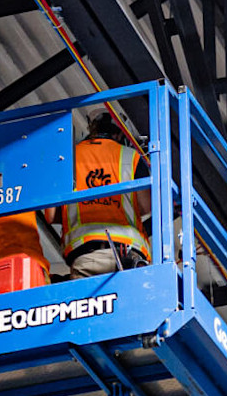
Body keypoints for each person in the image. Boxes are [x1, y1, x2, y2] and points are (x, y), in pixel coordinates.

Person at [52, 111, 152, 278]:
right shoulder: (131, 156)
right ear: (120, 132)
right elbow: (146, 206)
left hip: (84, 254)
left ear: (91, 128)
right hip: (126, 251)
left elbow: (51, 215)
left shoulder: (67, 159)